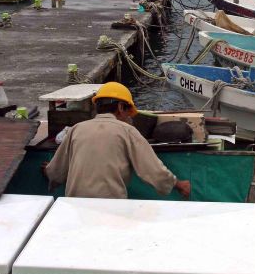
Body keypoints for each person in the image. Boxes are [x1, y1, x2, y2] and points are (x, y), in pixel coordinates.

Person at [43, 82, 191, 200]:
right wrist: (179, 184)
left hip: (75, 206)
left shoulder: (76, 129)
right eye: (128, 113)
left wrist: (48, 170)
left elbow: (55, 172)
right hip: (112, 209)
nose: (129, 118)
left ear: (97, 106)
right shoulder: (128, 131)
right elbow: (153, 171)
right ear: (121, 107)